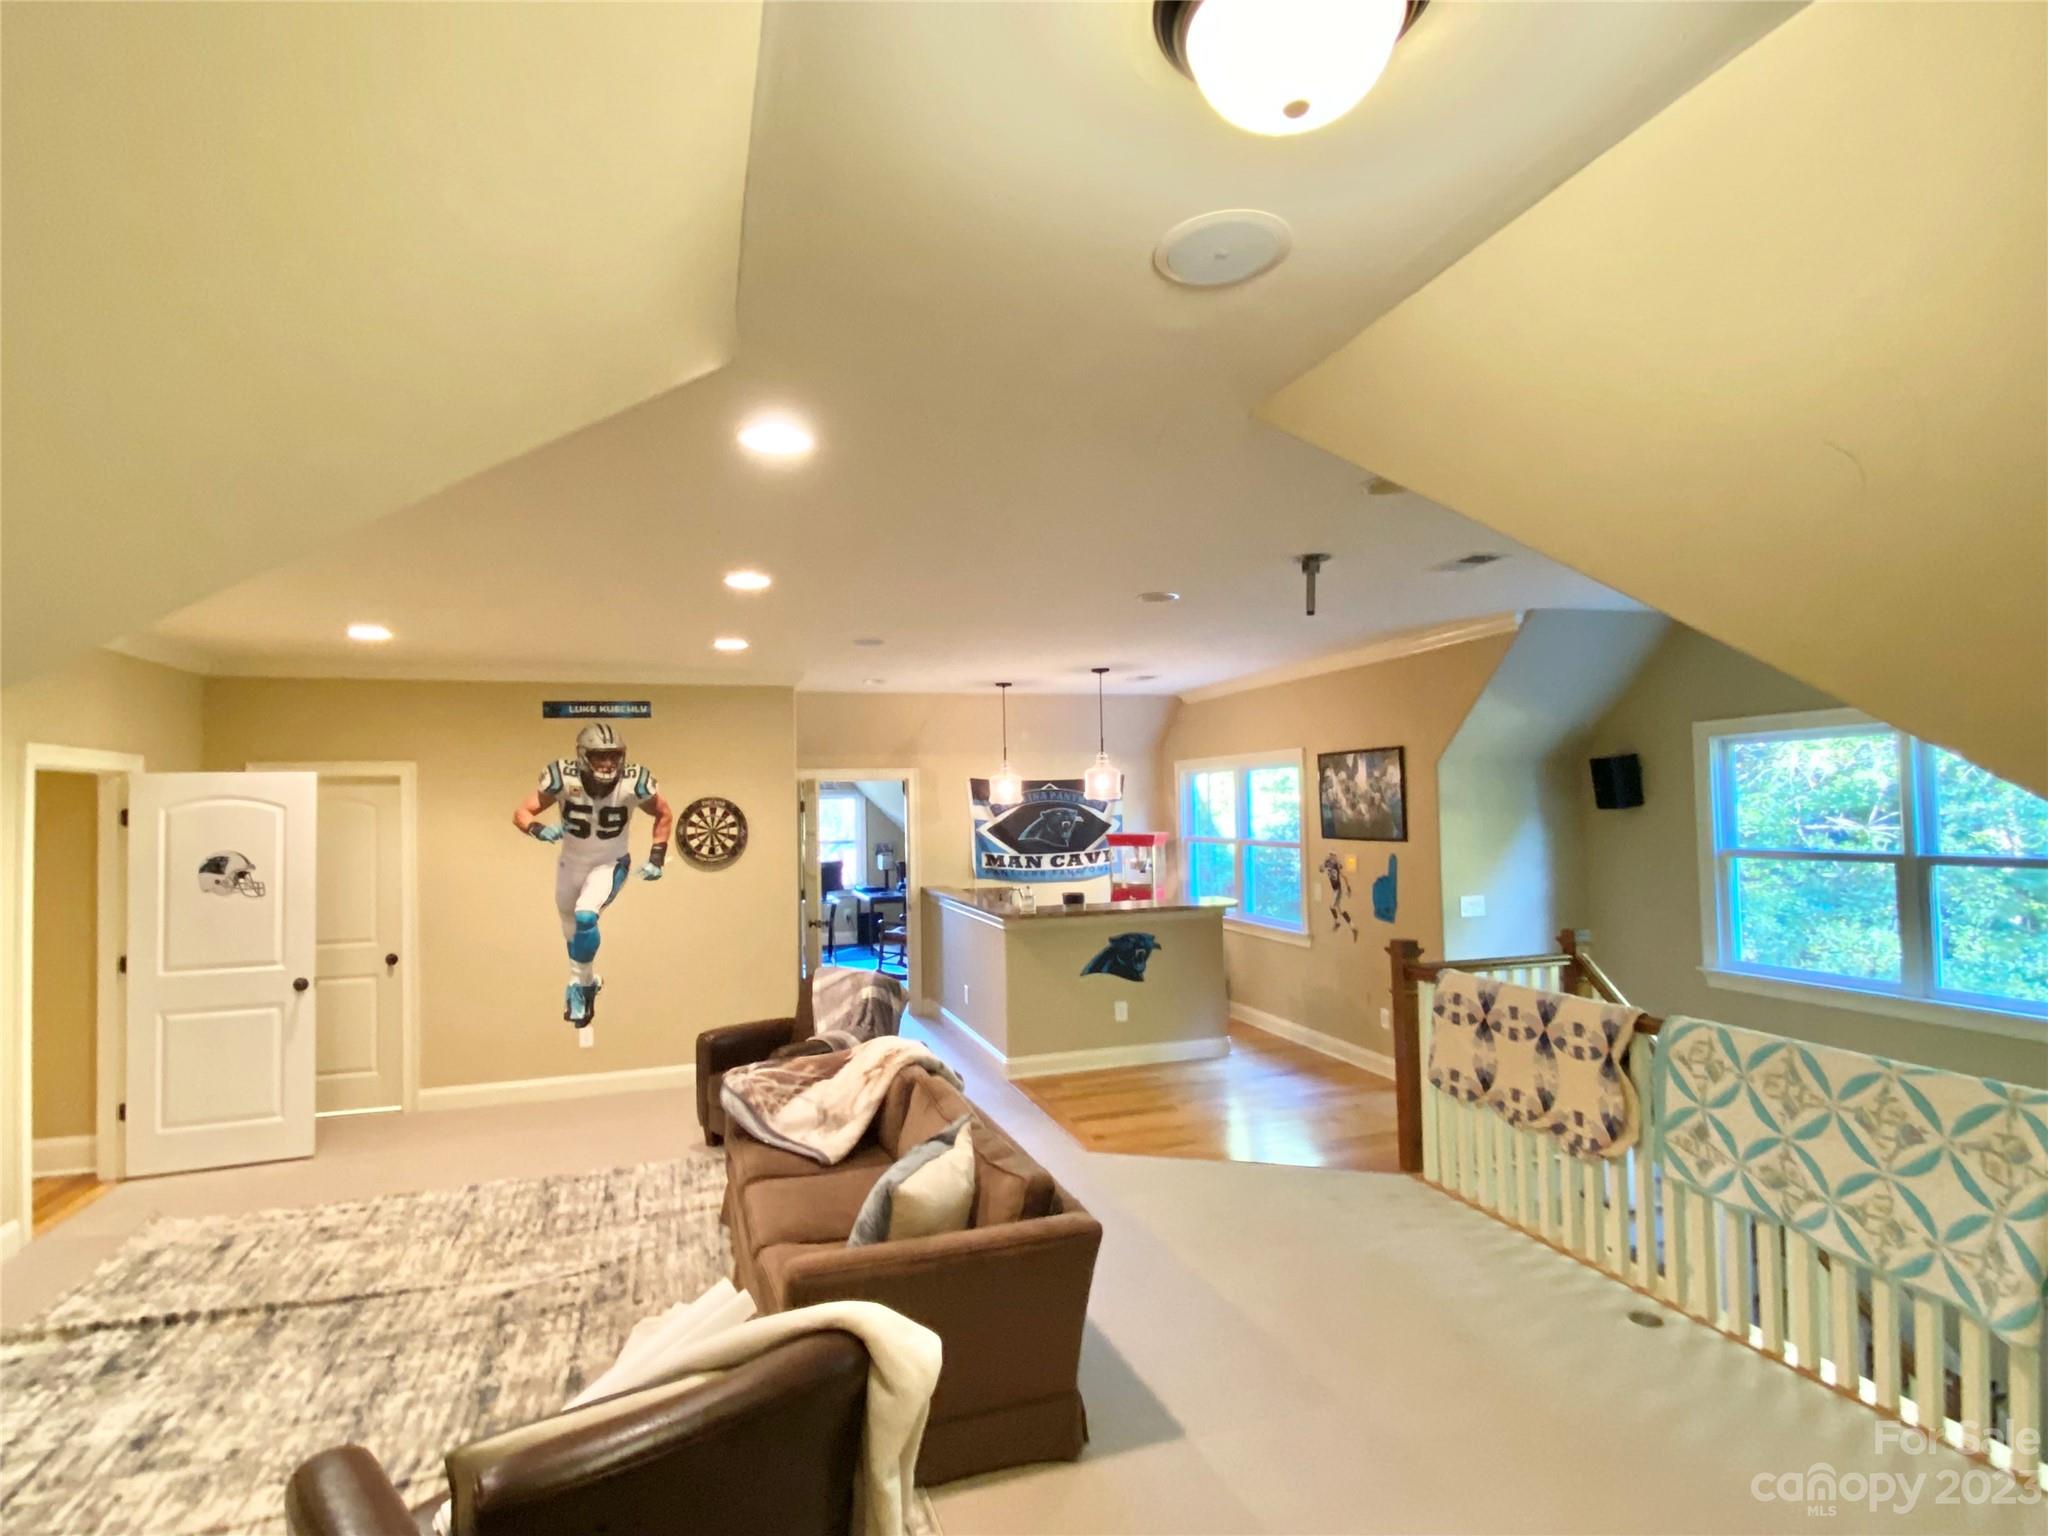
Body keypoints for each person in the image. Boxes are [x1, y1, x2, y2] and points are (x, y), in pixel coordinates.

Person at [512, 722, 672, 1040]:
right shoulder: (563, 776)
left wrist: (656, 857)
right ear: (584, 757)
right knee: (571, 931)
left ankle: (578, 987)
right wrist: (538, 829)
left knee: (586, 915)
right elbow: (522, 812)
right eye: (600, 756)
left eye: (613, 756)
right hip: (570, 864)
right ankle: (586, 982)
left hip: (608, 863)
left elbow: (664, 812)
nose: (607, 764)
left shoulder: (633, 782)